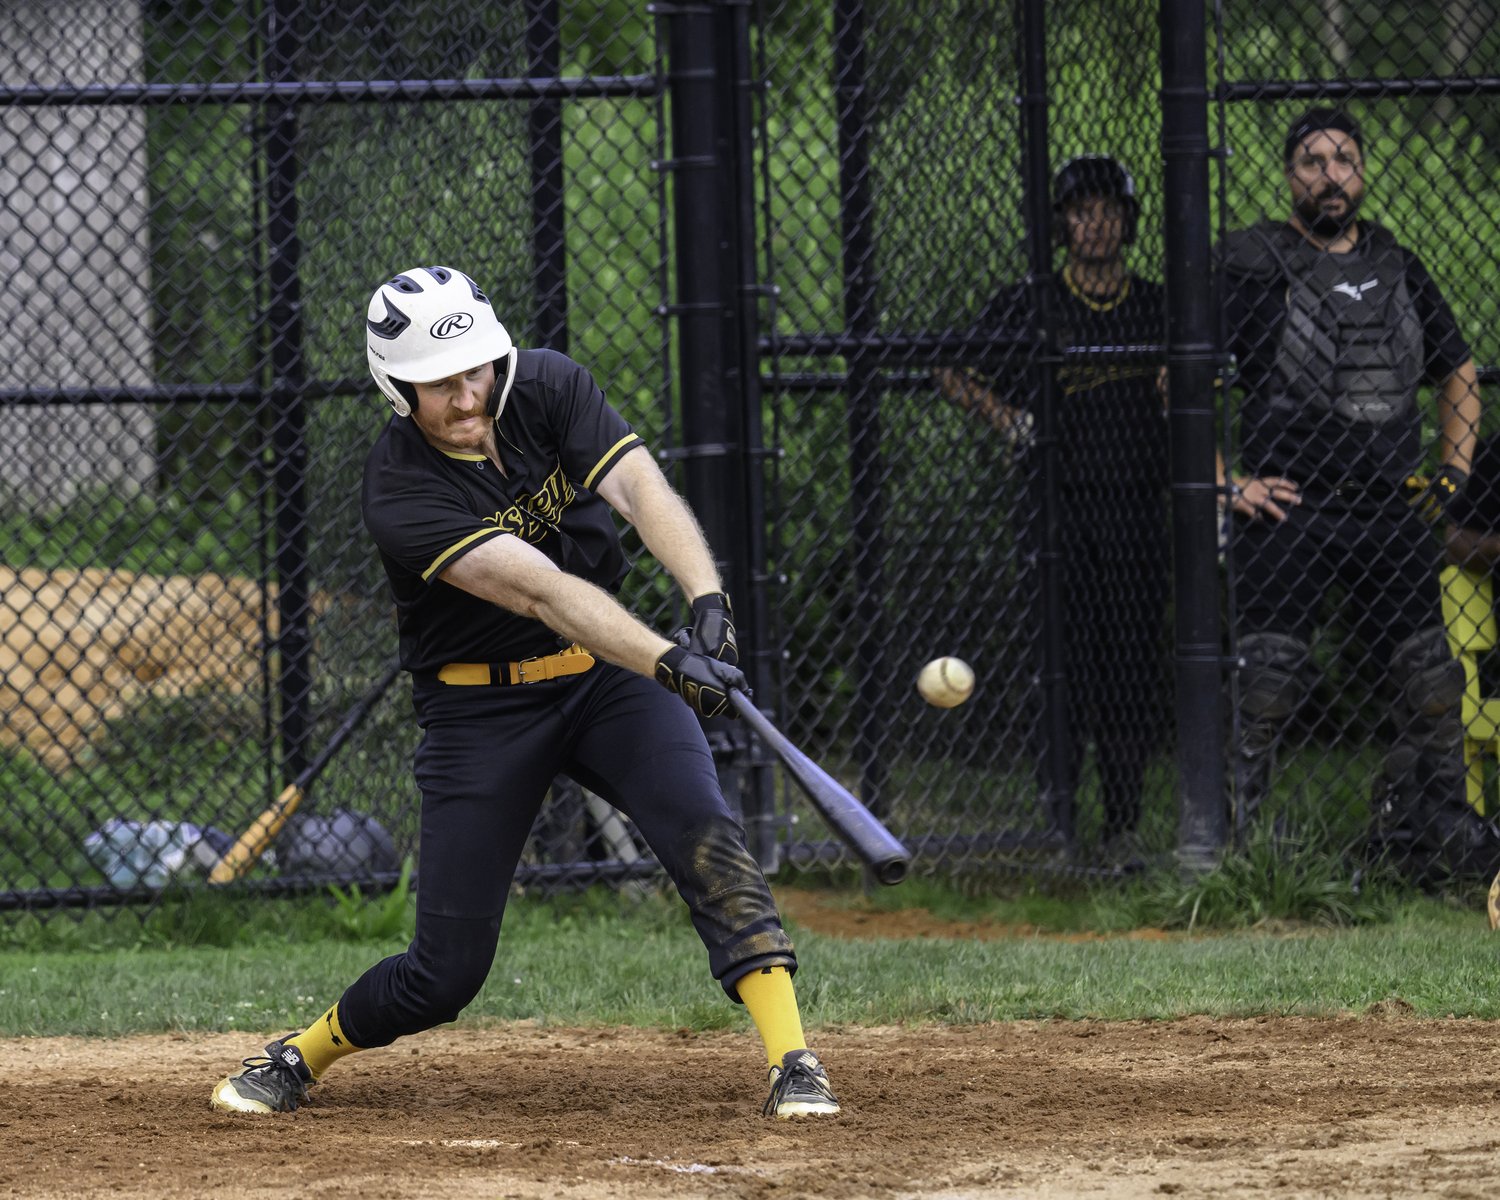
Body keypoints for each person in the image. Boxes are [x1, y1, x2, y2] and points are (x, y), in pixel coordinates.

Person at [209, 265, 839, 1119]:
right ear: (395, 389)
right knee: (444, 973)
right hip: (482, 709)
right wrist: (666, 659)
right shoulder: (399, 488)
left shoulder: (544, 384)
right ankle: (299, 1054)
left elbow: (639, 487)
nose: (468, 396)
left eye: (476, 370)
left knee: (705, 831)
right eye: (440, 385)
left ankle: (794, 1062)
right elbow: (542, 591)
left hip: (606, 681)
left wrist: (708, 602)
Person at [1219, 109, 1481, 839]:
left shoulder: (1397, 264)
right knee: (1265, 687)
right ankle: (1232, 847)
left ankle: (1436, 833)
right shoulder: (1250, 266)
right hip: (1289, 510)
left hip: (1390, 506)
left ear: (1362, 173)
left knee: (1432, 686)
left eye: (1344, 160)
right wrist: (1227, 483)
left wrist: (1453, 470)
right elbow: (1175, 385)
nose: (1330, 175)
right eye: (1312, 161)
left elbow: (1457, 370)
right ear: (1288, 175)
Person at [936, 155, 1170, 856]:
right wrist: (1008, 420)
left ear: (1127, 222)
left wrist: (1173, 385)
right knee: (1062, 660)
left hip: (1134, 506)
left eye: (1108, 210)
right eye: (1081, 210)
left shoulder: (1154, 303)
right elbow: (949, 367)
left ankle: (1123, 824)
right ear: (1062, 223)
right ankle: (1058, 825)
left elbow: (1194, 375)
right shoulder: (1033, 301)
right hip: (1056, 509)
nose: (1095, 222)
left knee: (1129, 665)